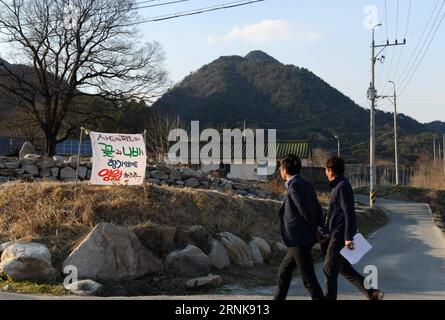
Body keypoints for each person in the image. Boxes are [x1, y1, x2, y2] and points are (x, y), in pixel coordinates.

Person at [322, 156, 384, 300]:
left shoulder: (342, 186)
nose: (325, 173)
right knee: (344, 268)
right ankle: (372, 293)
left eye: (326, 170)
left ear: (330, 170)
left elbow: (348, 212)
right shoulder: (339, 185)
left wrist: (348, 237)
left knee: (328, 268)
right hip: (336, 233)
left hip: (340, 235)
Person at [274, 154, 325, 300]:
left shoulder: (294, 185)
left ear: (284, 170)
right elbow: (317, 207)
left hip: (300, 238)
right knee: (284, 271)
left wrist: (316, 228)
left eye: (280, 168)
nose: (280, 171)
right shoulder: (305, 183)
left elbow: (305, 210)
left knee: (309, 280)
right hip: (301, 238)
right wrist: (319, 226)